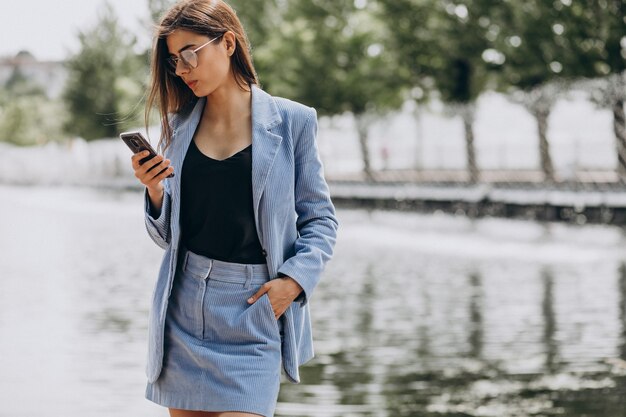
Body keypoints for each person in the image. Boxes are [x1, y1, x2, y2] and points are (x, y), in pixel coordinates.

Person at [130, 0, 338, 416]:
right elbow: (167, 238)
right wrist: (154, 192)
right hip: (185, 309)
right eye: (173, 61)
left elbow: (321, 219)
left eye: (190, 53)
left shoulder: (292, 121)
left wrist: (293, 282)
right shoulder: (179, 126)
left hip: (254, 310)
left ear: (227, 43)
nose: (182, 68)